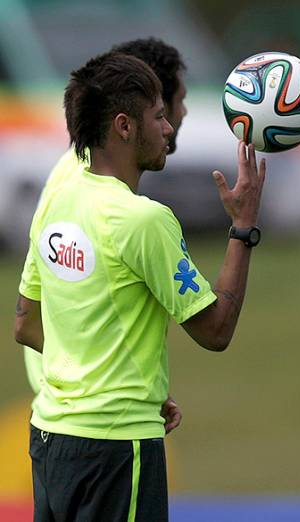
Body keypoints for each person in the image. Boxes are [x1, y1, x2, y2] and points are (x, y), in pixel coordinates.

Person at [13, 50, 265, 522]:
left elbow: (27, 324)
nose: (169, 130)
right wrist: (243, 226)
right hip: (115, 450)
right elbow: (215, 330)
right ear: (125, 126)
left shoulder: (56, 200)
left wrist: (120, 384)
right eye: (159, 116)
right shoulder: (143, 220)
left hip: (50, 442)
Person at [20, 37, 189, 433]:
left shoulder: (85, 175)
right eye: (174, 103)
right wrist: (112, 384)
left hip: (69, 412)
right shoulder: (80, 185)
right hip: (97, 418)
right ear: (132, 115)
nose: (181, 115)